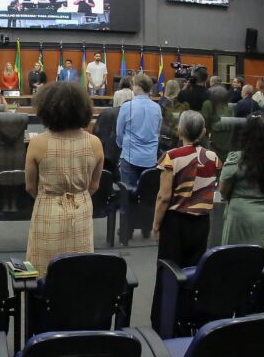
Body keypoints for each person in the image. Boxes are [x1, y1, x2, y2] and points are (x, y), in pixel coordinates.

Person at [25, 82, 104, 275]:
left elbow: (30, 186)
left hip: (48, 208)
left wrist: (50, 198)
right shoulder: (94, 143)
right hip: (81, 207)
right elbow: (94, 185)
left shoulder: (37, 143)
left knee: (45, 270)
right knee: (79, 269)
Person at [152, 110, 222, 267]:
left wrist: (156, 225)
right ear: (203, 132)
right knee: (193, 271)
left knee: (170, 271)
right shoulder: (213, 158)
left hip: (175, 223)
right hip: (202, 223)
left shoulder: (171, 157)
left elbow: (163, 197)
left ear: (180, 130)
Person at [220, 112, 264, 254]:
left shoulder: (237, 158)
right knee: (258, 257)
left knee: (234, 257)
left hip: (241, 214)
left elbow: (223, 189)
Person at [116, 74, 163, 188]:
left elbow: (119, 133)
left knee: (127, 193)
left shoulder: (127, 106)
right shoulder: (157, 107)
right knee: (146, 194)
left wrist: (123, 146)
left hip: (130, 156)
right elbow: (158, 131)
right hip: (150, 157)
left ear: (137, 86)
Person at [200, 85, 234, 160]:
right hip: (226, 143)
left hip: (212, 142)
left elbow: (205, 123)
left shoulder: (207, 104)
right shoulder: (229, 109)